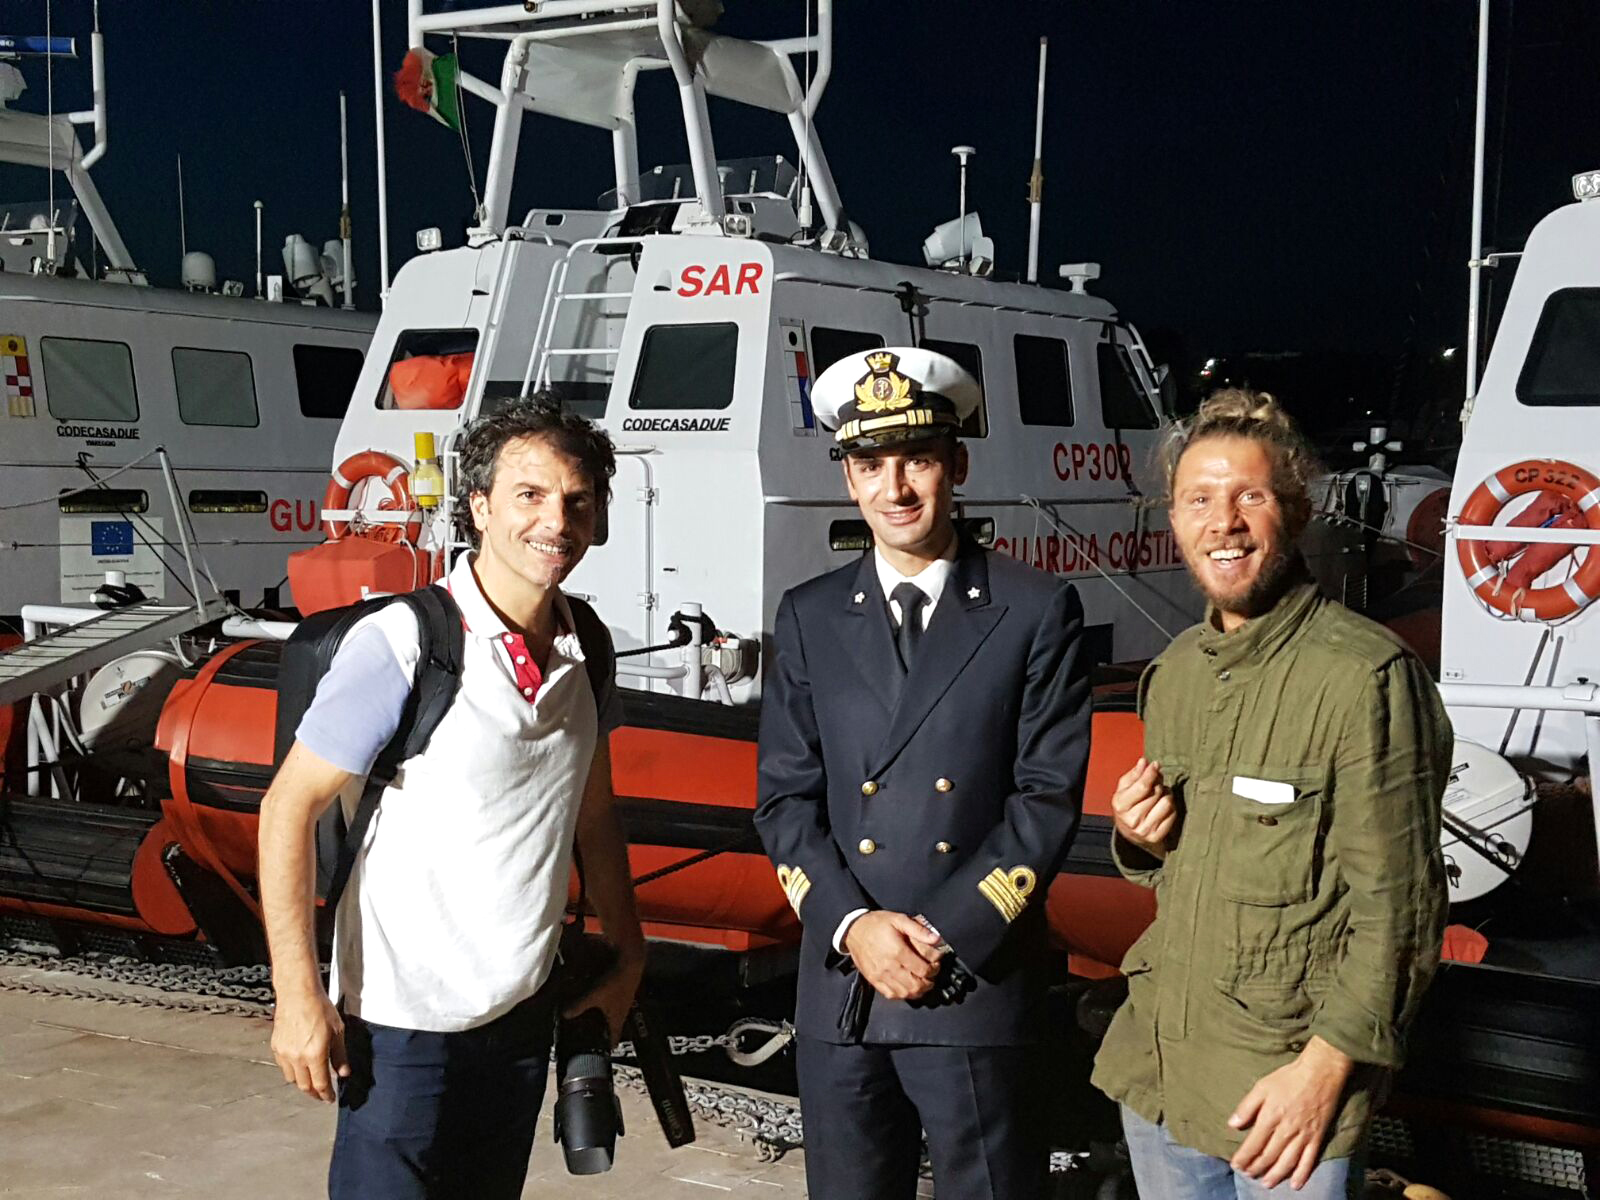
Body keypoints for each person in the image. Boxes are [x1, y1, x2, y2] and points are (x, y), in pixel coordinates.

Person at [259, 400, 645, 1200]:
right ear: (479, 507)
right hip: (402, 1027)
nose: (556, 522)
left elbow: (594, 814)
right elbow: (287, 807)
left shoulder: (587, 646)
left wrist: (628, 952)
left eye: (576, 501)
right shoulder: (408, 643)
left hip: (518, 1017)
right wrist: (297, 996)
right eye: (530, 495)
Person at [1091, 390, 1452, 1197]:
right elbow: (1193, 867)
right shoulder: (1176, 672)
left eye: (1249, 495)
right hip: (1160, 1072)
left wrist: (1323, 1074)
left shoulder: (1362, 677)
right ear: (1174, 520)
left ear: (1295, 510)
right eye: (1198, 500)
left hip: (1283, 1100)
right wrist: (1141, 839)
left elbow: (1403, 909)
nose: (1224, 521)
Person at [755, 347, 1092, 1199]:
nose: (895, 487)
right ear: (849, 478)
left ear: (957, 466)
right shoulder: (811, 615)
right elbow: (785, 801)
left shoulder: (1033, 608)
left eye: (918, 460)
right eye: (871, 465)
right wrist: (855, 928)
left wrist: (940, 934)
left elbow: (1045, 797)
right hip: (843, 990)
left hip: (969, 985)